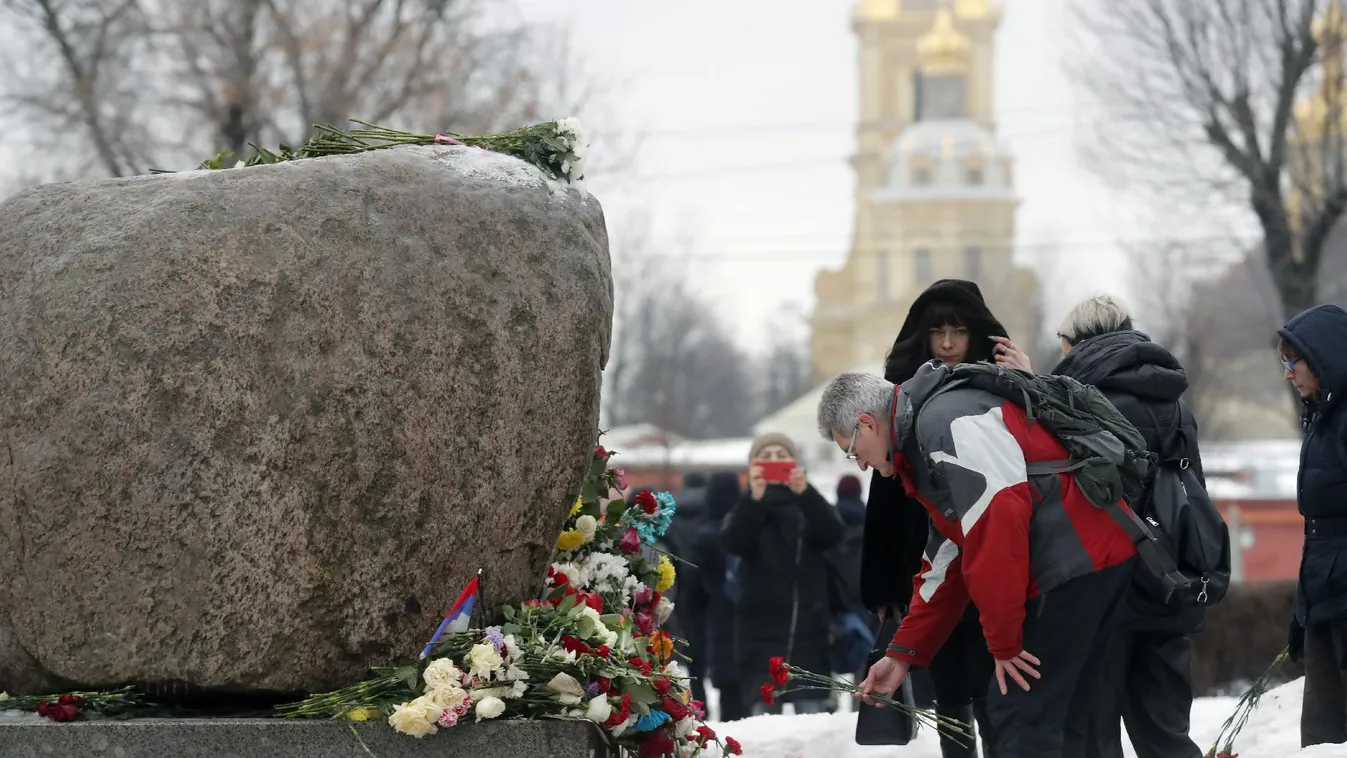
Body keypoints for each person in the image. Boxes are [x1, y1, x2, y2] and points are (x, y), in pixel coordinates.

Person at [816, 366, 1138, 755]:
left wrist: (1003, 642)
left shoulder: (946, 425)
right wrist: (902, 654)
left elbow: (995, 530)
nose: (861, 465)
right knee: (1062, 720)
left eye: (850, 451)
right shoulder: (930, 429)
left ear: (867, 424)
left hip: (1069, 566)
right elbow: (949, 556)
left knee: (1022, 721)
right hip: (1091, 559)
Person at [863, 278, 1029, 758]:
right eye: (939, 333)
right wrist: (885, 587)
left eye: (959, 330)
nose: (951, 343)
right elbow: (884, 501)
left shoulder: (1000, 392)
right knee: (949, 687)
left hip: (993, 552)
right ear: (925, 338)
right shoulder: (901, 402)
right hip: (926, 559)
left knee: (994, 682)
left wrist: (1026, 379)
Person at [1052, 294, 1205, 758]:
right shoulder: (1173, 401)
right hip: (1168, 580)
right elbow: (1194, 490)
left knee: (1096, 738)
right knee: (1166, 734)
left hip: (1101, 587)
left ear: (1075, 343)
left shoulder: (1075, 402)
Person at [721, 433, 845, 716]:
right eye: (766, 457)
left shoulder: (806, 502)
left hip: (808, 633)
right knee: (764, 725)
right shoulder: (746, 506)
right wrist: (754, 500)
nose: (774, 462)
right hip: (758, 635)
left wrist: (807, 493)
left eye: (781, 456)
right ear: (753, 465)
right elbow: (733, 542)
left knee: (812, 723)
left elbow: (834, 534)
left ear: (795, 463)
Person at [1278, 304, 1347, 748]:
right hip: (1326, 594)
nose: (1287, 374)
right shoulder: (1324, 419)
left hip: (1340, 594)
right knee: (1324, 738)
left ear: (1325, 358)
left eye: (1293, 361)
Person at [696, 470, 748, 721]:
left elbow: (696, 585)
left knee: (728, 693)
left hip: (717, 615)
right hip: (746, 616)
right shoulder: (744, 529)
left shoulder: (705, 534)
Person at [666, 471, 710, 706]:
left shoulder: (674, 514)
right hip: (711, 589)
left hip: (685, 589)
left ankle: (699, 695)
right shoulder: (714, 510)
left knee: (692, 645)